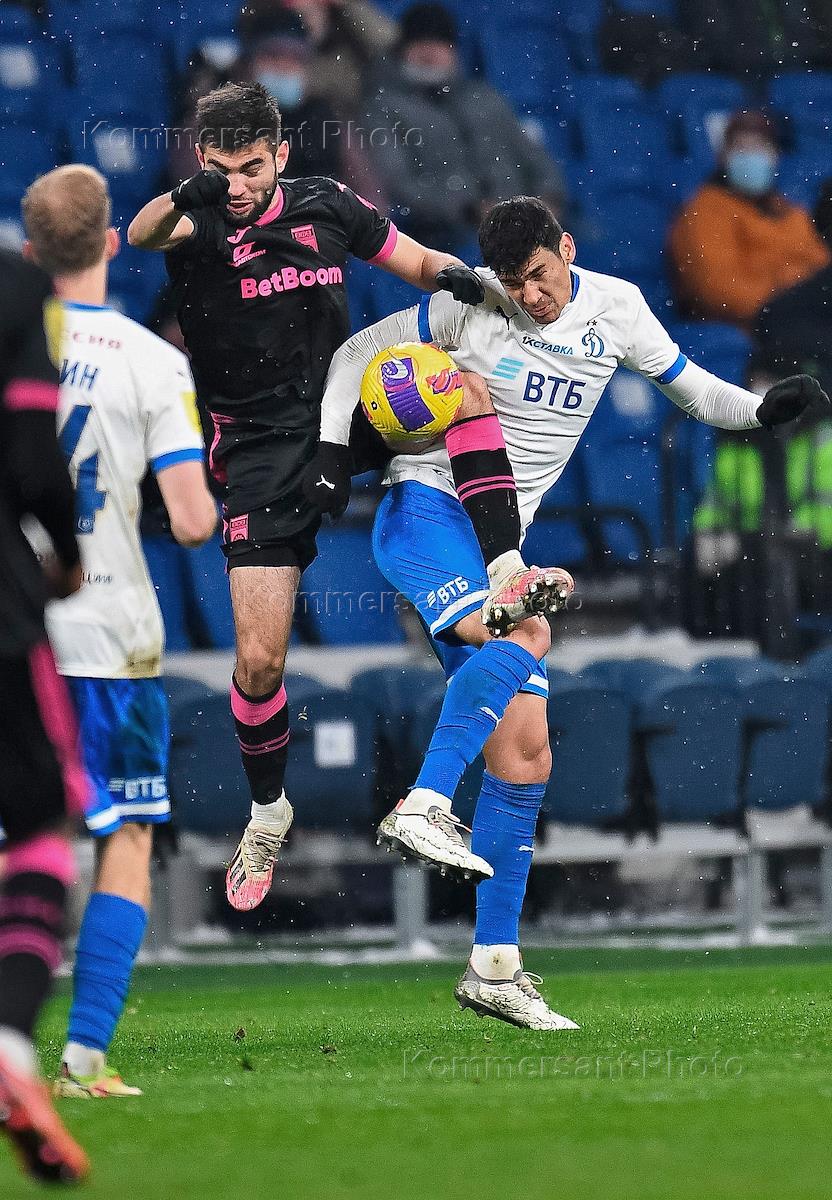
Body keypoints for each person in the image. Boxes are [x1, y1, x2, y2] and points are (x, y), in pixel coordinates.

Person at [316, 196, 829, 1029]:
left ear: (567, 247)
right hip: (428, 512)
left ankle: (494, 966)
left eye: (539, 277)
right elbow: (355, 352)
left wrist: (759, 413)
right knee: (528, 628)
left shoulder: (617, 308)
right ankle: (423, 802)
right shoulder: (469, 302)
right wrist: (333, 452)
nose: (530, 297)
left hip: (498, 540)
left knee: (526, 757)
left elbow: (693, 390)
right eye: (514, 283)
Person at [127, 81, 486, 912]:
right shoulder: (196, 220)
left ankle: (495, 562)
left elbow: (415, 261)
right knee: (259, 663)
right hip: (258, 449)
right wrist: (192, 192)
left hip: (346, 408)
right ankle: (268, 812)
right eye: (222, 169)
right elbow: (140, 233)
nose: (238, 184)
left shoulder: (327, 203)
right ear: (203, 162)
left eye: (252, 168)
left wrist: (466, 280)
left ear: (281, 155)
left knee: (469, 390)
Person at [21, 164, 217, 1097]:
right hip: (111, 635)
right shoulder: (150, 359)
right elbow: (192, 519)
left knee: (22, 839)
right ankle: (84, 1059)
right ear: (108, 242)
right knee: (125, 835)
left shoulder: (10, 355)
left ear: (30, 252)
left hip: (18, 631)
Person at [0, 249, 89, 1183]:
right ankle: (9, 1051)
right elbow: (34, 463)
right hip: (2, 612)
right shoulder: (14, 290)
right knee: (38, 833)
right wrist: (65, 553)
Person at [362, 2, 567, 253]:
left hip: (523, 228)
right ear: (401, 51)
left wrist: (548, 200)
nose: (430, 52)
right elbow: (398, 182)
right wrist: (468, 209)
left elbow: (535, 158)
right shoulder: (383, 108)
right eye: (419, 43)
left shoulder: (485, 98)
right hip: (444, 238)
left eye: (440, 43)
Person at [669, 110, 830, 327]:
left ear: (775, 157)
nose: (751, 156)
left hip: (803, 318)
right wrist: (786, 302)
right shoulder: (704, 211)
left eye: (760, 147)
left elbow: (821, 270)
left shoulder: (789, 211)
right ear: (723, 157)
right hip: (754, 326)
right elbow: (717, 289)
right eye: (741, 148)